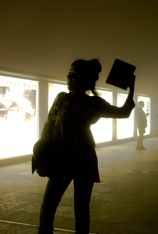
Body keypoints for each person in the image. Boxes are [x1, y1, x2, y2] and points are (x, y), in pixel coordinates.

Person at [38, 59, 135, 234]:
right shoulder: (61, 98)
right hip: (60, 160)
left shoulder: (95, 103)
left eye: (74, 74)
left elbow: (123, 113)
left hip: (84, 160)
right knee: (47, 209)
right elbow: (48, 124)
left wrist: (131, 90)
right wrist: (42, 148)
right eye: (69, 73)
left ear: (85, 79)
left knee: (81, 211)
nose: (69, 77)